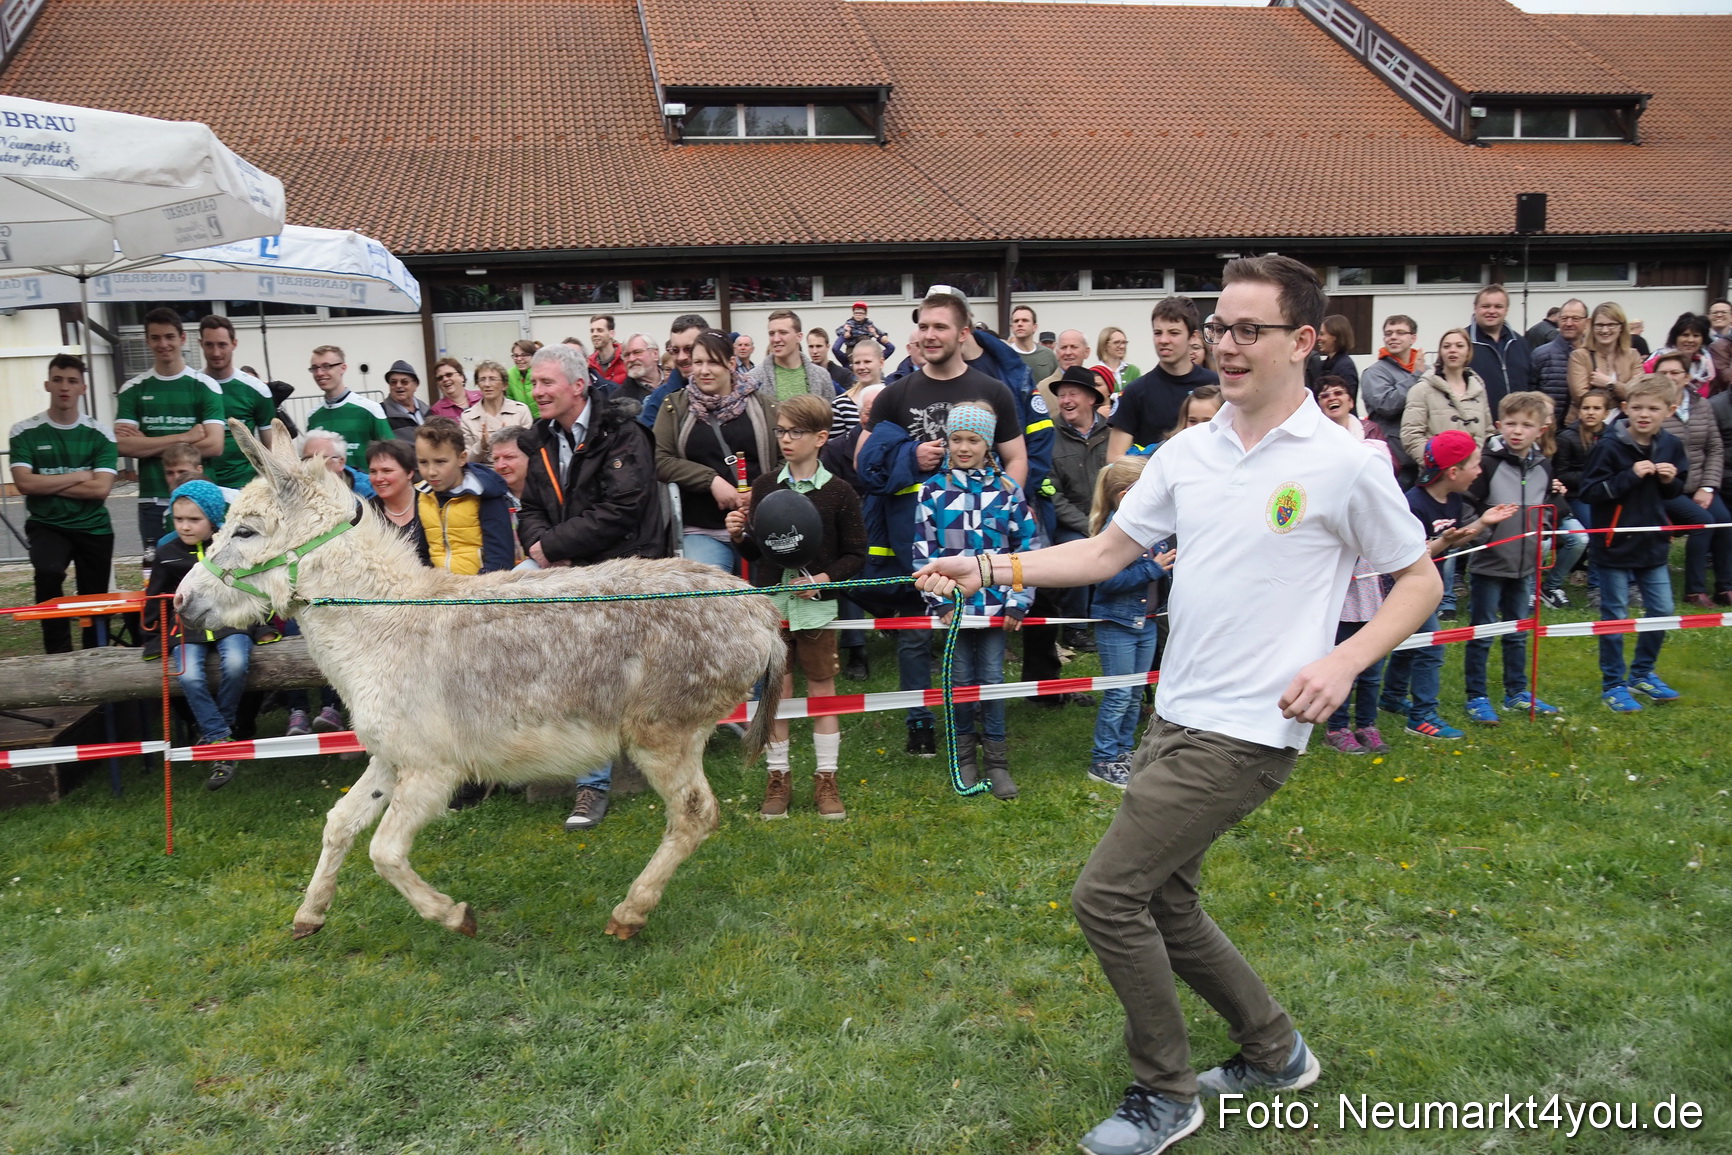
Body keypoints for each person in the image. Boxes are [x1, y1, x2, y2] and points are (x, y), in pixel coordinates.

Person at [914, 255, 1439, 1155]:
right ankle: (1276, 1052)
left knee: (1108, 896)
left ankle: (1164, 1091)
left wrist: (1348, 659)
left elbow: (1418, 581)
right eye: (1218, 329)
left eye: (1247, 330)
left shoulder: (1344, 464)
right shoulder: (1189, 452)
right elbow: (1105, 554)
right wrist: (990, 567)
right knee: (1166, 902)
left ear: (1303, 342)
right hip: (1177, 710)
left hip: (1252, 727)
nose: (1223, 346)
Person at [857, 289, 1029, 754]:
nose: (930, 335)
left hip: (982, 545)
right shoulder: (897, 393)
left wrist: (999, 505)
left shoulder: (991, 391)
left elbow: (1016, 461)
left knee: (983, 647)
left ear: (963, 333)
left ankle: (977, 734)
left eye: (940, 327)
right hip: (918, 541)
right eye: (924, 327)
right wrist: (909, 456)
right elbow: (863, 460)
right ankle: (921, 724)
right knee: (916, 637)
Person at [516, 341, 667, 832]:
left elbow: (621, 510)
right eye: (534, 383)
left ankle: (592, 784)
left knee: (588, 664)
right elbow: (532, 507)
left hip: (620, 569)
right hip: (564, 567)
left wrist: (550, 548)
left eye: (546, 383)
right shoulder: (541, 438)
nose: (536, 391)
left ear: (578, 386)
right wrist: (543, 547)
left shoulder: (622, 432)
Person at [726, 393, 865, 820]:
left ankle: (827, 778)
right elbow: (762, 549)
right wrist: (739, 536)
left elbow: (857, 555)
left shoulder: (839, 493)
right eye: (781, 431)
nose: (785, 439)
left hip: (818, 611)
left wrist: (825, 580)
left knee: (823, 689)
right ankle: (778, 777)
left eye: (795, 432)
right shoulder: (767, 486)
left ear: (821, 437)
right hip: (773, 607)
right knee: (776, 692)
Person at [912, 402, 1038, 799]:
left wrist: (1020, 600)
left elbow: (1029, 548)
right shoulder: (933, 490)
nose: (963, 447)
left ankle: (997, 762)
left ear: (988, 444)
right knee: (961, 679)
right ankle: (965, 755)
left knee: (994, 680)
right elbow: (922, 550)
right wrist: (942, 603)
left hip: (998, 608)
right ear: (947, 441)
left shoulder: (1007, 491)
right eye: (956, 439)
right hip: (955, 610)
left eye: (973, 440)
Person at [1379, 431, 1515, 741]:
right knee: (1431, 646)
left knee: (1409, 645)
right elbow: (1414, 555)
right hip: (1404, 586)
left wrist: (1483, 523)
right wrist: (1442, 542)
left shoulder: (1453, 499)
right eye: (1476, 465)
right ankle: (1422, 716)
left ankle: (1392, 697)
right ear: (1453, 472)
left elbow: (1453, 539)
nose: (1480, 471)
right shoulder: (1413, 504)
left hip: (1425, 585)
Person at [1581, 374, 1690, 712]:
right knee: (1615, 616)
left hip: (1653, 543)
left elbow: (1675, 490)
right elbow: (1589, 491)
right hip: (1614, 545)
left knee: (1662, 611)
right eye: (1638, 407)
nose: (1644, 415)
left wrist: (1672, 481)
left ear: (1669, 411)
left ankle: (1642, 673)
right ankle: (1613, 684)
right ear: (1625, 408)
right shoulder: (1609, 445)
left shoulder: (1671, 445)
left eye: (1654, 408)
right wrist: (1629, 476)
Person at [1459, 392, 1565, 725]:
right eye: (1511, 424)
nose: (1517, 431)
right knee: (1482, 631)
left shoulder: (1544, 466)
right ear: (1500, 425)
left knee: (1519, 631)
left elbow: (1546, 506)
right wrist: (1486, 536)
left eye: (1526, 425)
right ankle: (1476, 696)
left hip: (1525, 566)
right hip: (1489, 563)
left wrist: (1543, 536)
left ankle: (1516, 691)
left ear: (1541, 430)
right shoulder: (1487, 464)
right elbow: (1467, 507)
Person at [143, 480, 252, 791]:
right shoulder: (165, 553)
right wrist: (152, 640)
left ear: (214, 518)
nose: (185, 526)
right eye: (179, 520)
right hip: (186, 633)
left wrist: (263, 626)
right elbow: (155, 600)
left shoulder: (232, 549)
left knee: (235, 664)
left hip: (231, 624)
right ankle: (221, 737)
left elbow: (250, 592)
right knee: (188, 675)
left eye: (194, 520)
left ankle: (219, 729)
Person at [8, 354, 117, 653]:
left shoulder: (101, 433)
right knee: (48, 573)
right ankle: (57, 656)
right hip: (48, 524)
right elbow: (25, 484)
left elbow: (100, 490)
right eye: (58, 380)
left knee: (94, 599)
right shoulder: (23, 431)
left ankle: (95, 655)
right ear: (47, 384)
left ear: (83, 387)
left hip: (93, 527)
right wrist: (80, 475)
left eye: (71, 381)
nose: (64, 387)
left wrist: (48, 483)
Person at [656, 330, 776, 572]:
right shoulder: (674, 407)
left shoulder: (765, 406)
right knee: (708, 599)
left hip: (760, 525)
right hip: (702, 530)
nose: (703, 370)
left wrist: (760, 490)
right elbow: (660, 459)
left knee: (768, 601)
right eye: (698, 362)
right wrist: (711, 481)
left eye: (712, 362)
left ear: (731, 364)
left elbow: (786, 459)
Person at [114, 307, 224, 568]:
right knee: (157, 571)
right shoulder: (133, 390)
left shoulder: (205, 385)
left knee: (207, 571)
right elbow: (122, 445)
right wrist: (186, 437)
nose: (163, 344)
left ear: (182, 338)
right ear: (147, 341)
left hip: (198, 498)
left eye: (169, 336)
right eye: (156, 338)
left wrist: (146, 443)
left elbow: (214, 444)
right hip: (152, 497)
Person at [1084, 457, 1169, 787]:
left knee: (1134, 693)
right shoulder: (1115, 532)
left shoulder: (1150, 527)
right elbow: (1104, 580)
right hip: (1117, 624)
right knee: (1118, 693)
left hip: (1144, 623)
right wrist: (1153, 569)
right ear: (1125, 495)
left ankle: (1122, 752)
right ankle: (1102, 759)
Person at [1652, 354, 1731, 608]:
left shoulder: (1703, 405)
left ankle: (1725, 587)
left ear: (1687, 377)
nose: (1669, 378)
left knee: (1725, 522)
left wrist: (1708, 487)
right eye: (1663, 373)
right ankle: (1694, 590)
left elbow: (1715, 449)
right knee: (1704, 522)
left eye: (1675, 373)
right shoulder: (1650, 408)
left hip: (1700, 485)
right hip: (1666, 490)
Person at [1107, 296, 1218, 461]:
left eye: (1173, 333)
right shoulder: (1136, 391)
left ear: (1193, 337)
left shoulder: (1217, 385)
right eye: (1158, 333)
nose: (1164, 340)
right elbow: (1115, 457)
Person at [1049, 366, 1113, 653]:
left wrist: (1109, 523)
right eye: (1061, 395)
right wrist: (1088, 526)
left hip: (1112, 519)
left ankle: (1116, 620)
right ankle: (1075, 629)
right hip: (1070, 524)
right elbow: (1052, 495)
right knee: (1078, 552)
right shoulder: (1049, 436)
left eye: (1072, 393)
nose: (1065, 400)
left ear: (1091, 399)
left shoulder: (1113, 433)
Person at [411, 418, 514, 575]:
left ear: (461, 458)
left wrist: (472, 593)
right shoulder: (423, 495)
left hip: (481, 591)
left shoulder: (485, 495)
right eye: (423, 462)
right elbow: (421, 554)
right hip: (438, 591)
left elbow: (500, 562)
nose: (431, 471)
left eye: (440, 462)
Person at [196, 315, 277, 486]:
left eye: (222, 345)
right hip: (200, 486)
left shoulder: (257, 390)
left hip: (244, 488)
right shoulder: (191, 386)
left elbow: (272, 450)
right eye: (209, 345)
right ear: (200, 343)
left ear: (234, 344)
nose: (216, 352)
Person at [1553, 386, 1612, 602]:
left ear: (1606, 413)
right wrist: (1593, 477)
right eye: (1586, 407)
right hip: (1576, 497)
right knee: (1597, 532)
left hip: (1605, 495)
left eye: (1597, 408)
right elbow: (1562, 474)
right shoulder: (1566, 437)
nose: (1590, 412)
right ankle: (1595, 587)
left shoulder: (1612, 435)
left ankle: (1623, 581)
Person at [1359, 314, 1426, 488]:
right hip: (1396, 463)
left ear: (1413, 338)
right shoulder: (1374, 373)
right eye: (1388, 333)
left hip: (1423, 459)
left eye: (1400, 332)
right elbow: (1387, 405)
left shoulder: (1427, 371)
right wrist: (1416, 377)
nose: (1393, 337)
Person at [304, 345, 392, 470]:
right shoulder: (313, 416)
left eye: (326, 366)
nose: (319, 373)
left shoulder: (370, 409)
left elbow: (391, 454)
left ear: (343, 368)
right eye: (314, 368)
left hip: (364, 488)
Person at [1567, 302, 1642, 418]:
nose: (1605, 330)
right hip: (1587, 426)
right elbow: (1581, 398)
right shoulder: (1579, 356)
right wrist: (1623, 394)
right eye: (1599, 325)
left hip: (1623, 425)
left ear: (1621, 327)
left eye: (1611, 324)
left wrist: (1609, 384)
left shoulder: (1633, 355)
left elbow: (1638, 395)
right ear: (1592, 327)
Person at [638, 313, 710, 429]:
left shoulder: (735, 391)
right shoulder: (659, 399)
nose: (681, 357)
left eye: (689, 349)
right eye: (675, 350)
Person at [1467, 283, 1530, 411]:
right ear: (1475, 308)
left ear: (1506, 310)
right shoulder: (1463, 342)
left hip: (1517, 423)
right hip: (1478, 423)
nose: (1491, 311)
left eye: (1498, 307)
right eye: (1486, 306)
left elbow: (1531, 382)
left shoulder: (1519, 342)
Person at [459, 359, 533, 464]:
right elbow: (466, 461)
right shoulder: (468, 417)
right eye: (482, 380)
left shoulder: (520, 411)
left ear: (504, 385)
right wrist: (481, 446)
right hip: (483, 474)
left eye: (493, 379)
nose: (487, 384)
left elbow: (530, 451)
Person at [1528, 298, 1587, 427]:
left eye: (1575, 319)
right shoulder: (1540, 355)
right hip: (1548, 430)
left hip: (1584, 430)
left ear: (1587, 322)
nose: (1569, 323)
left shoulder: (1594, 355)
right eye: (1564, 318)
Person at [365, 438, 426, 550]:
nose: (378, 478)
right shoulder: (365, 514)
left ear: (409, 473)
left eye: (387, 471)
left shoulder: (432, 505)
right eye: (373, 472)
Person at [1644, 313, 1714, 395]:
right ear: (1675, 337)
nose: (1690, 340)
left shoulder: (1705, 367)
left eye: (1696, 336)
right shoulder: (1658, 361)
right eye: (1685, 335)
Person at [832, 339, 883, 436]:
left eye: (867, 361)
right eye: (857, 363)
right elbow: (834, 448)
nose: (861, 367)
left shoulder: (894, 398)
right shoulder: (840, 405)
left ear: (881, 363)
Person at [1008, 304, 1058, 382]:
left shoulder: (1048, 355)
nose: (1020, 324)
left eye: (1025, 320)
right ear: (1011, 327)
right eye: (1016, 321)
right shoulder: (1005, 354)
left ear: (1034, 327)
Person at [381, 360, 431, 440]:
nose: (398, 385)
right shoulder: (381, 413)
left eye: (404, 382)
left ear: (416, 385)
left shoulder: (427, 411)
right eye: (393, 382)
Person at [1309, 313, 1359, 391]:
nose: (1318, 338)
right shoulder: (1326, 365)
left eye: (1322, 334)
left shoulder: (1345, 367)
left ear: (1335, 336)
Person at [617, 334, 665, 404]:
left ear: (655, 354)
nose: (631, 359)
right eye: (626, 355)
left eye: (637, 352)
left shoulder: (679, 382)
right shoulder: (619, 399)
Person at [588, 314, 627, 388]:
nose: (594, 334)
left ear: (611, 334)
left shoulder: (626, 360)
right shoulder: (589, 365)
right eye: (592, 331)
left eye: (599, 330)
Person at [507, 338, 541, 416]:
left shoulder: (541, 372)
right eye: (515, 356)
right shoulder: (509, 374)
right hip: (521, 419)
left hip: (543, 419)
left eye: (524, 355)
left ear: (533, 356)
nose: (519, 359)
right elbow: (509, 399)